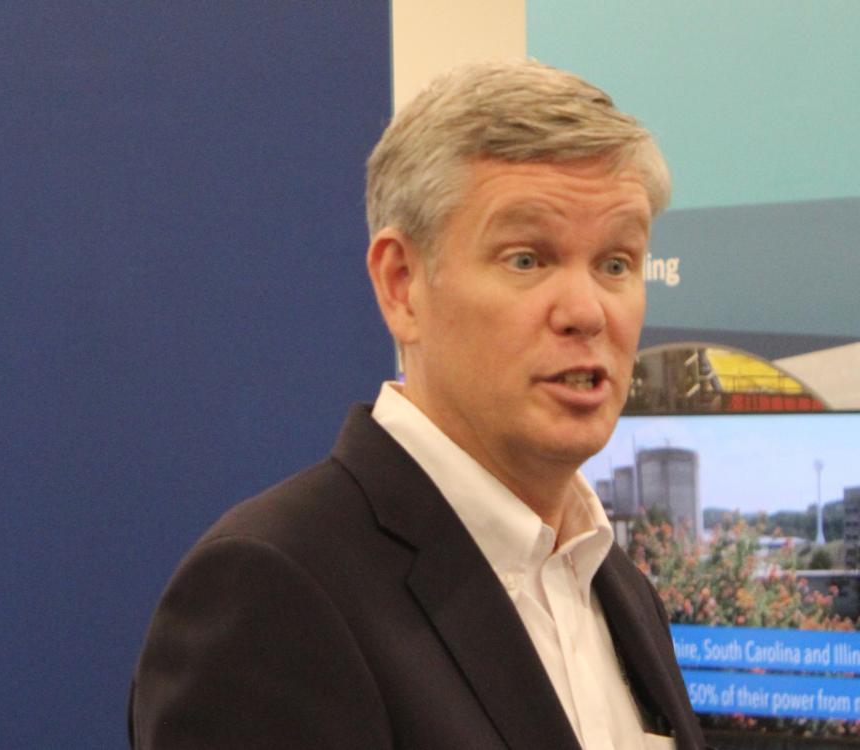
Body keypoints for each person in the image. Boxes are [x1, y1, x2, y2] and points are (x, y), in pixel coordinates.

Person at [129, 59, 707, 749]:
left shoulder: (618, 587)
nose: (587, 312)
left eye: (615, 263)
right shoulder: (273, 590)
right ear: (402, 285)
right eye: (527, 259)